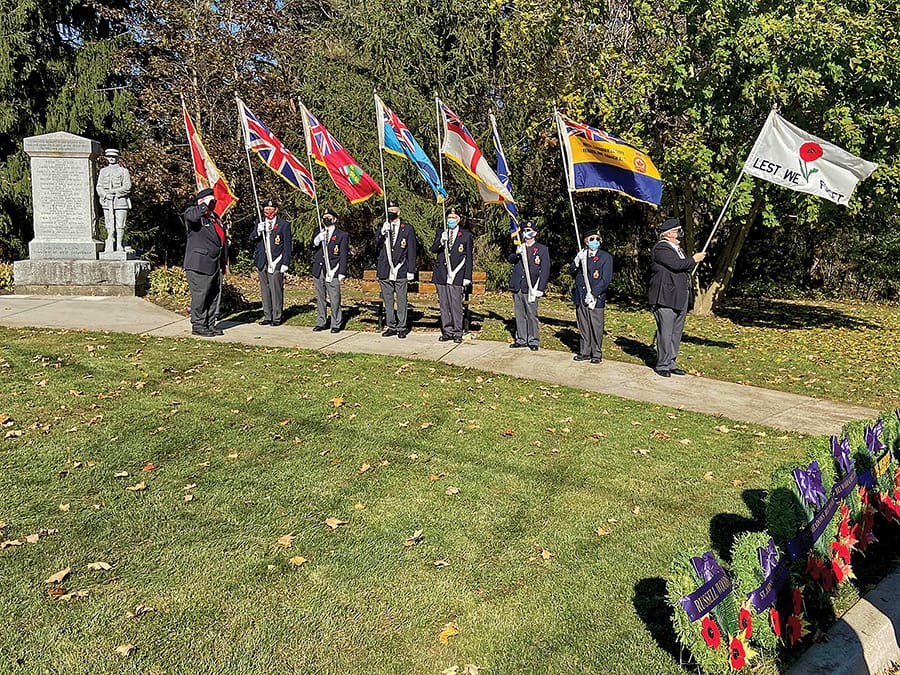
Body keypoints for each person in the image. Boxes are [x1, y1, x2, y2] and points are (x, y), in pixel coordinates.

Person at [648, 217, 706, 377]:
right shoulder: (662, 248)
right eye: (676, 231)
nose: (679, 234)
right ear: (667, 234)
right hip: (665, 297)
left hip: (679, 297)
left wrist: (691, 261)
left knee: (676, 332)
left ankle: (671, 362)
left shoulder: (677, 249)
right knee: (665, 332)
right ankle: (662, 365)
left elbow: (683, 267)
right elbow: (677, 265)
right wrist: (694, 259)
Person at [183, 188, 227, 337]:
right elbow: (192, 217)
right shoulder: (193, 213)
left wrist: (223, 262)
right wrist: (203, 206)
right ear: (202, 201)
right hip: (199, 263)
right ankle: (198, 325)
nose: (213, 204)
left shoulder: (214, 217)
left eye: (213, 201)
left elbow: (221, 241)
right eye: (211, 201)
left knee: (213, 295)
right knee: (201, 295)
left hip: (214, 264)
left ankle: (209, 324)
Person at [569, 230, 613, 364]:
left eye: (597, 239)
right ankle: (585, 351)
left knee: (596, 326)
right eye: (592, 239)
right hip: (581, 294)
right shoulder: (582, 255)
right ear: (586, 241)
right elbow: (571, 271)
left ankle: (596, 353)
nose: (595, 241)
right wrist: (577, 261)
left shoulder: (606, 257)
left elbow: (605, 279)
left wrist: (593, 293)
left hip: (595, 297)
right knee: (583, 325)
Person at [375, 199, 417, 338]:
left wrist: (411, 270)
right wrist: (382, 232)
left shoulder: (407, 228)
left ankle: (402, 326)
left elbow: (411, 250)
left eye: (393, 211)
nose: (391, 213)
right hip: (385, 269)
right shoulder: (383, 226)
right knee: (388, 299)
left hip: (401, 268)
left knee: (401, 299)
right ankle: (391, 325)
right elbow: (376, 245)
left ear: (398, 211)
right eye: (389, 211)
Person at [430, 207, 472, 343]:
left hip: (457, 275)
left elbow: (469, 258)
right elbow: (433, 249)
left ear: (458, 219)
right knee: (444, 304)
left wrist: (467, 277)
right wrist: (441, 241)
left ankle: (457, 332)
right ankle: (447, 331)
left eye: (453, 218)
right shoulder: (441, 232)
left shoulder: (466, 236)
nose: (451, 220)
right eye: (449, 218)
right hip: (441, 274)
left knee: (456, 305)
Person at [507, 222, 550, 351]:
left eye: (529, 230)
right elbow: (511, 259)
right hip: (518, 285)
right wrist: (517, 253)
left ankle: (533, 340)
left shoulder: (542, 249)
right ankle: (521, 339)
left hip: (531, 287)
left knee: (531, 314)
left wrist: (540, 288)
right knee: (519, 314)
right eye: (525, 230)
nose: (527, 232)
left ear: (535, 233)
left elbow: (545, 269)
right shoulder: (519, 246)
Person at [251, 198, 291, 326]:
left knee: (276, 289)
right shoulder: (260, 222)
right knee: (265, 289)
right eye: (265, 208)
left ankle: (277, 317)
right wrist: (258, 230)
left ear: (276, 210)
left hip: (276, 261)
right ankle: (267, 315)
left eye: (270, 208)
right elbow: (252, 238)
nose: (267, 211)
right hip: (262, 261)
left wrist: (285, 263)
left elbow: (287, 246)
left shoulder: (283, 224)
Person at [311, 208, 348, 333]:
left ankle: (336, 323)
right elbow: (312, 247)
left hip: (333, 269)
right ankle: (321, 322)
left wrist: (342, 272)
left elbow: (343, 254)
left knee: (334, 297)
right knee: (320, 297)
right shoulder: (318, 231)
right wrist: (317, 239)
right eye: (324, 217)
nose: (326, 219)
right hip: (319, 269)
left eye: (329, 217)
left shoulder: (342, 235)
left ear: (335, 219)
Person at [96, 148, 132, 252]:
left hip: (120, 201)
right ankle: (110, 242)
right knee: (109, 224)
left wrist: (114, 192)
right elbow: (99, 186)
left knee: (120, 224)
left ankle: (119, 245)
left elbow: (127, 186)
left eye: (114, 157)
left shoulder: (123, 171)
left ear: (117, 158)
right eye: (109, 157)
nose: (111, 159)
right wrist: (105, 195)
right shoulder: (103, 171)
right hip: (107, 202)